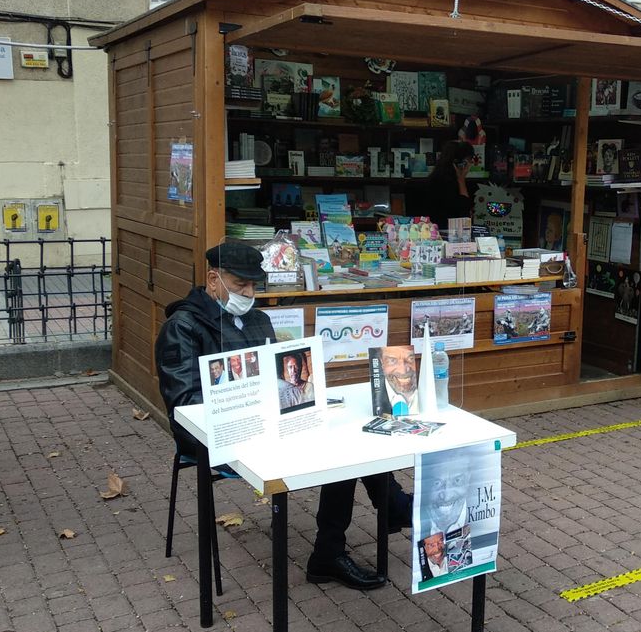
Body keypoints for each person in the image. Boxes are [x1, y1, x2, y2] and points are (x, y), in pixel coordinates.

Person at [155, 242, 412, 591]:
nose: (248, 294)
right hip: (211, 430)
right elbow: (184, 402)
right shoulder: (182, 327)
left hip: (264, 418)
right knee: (332, 445)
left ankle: (331, 551)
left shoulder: (258, 319)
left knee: (344, 436)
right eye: (239, 285)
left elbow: (275, 375)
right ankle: (390, 506)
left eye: (253, 286)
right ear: (213, 279)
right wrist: (245, 402)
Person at [411, 140, 475, 228]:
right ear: (460, 164)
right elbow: (464, 216)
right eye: (469, 162)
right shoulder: (450, 184)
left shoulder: (434, 179)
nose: (470, 165)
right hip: (446, 233)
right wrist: (461, 180)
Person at [373, 346, 419, 415]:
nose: (403, 371)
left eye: (410, 358)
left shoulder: (427, 388)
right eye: (392, 361)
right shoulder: (376, 397)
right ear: (382, 362)